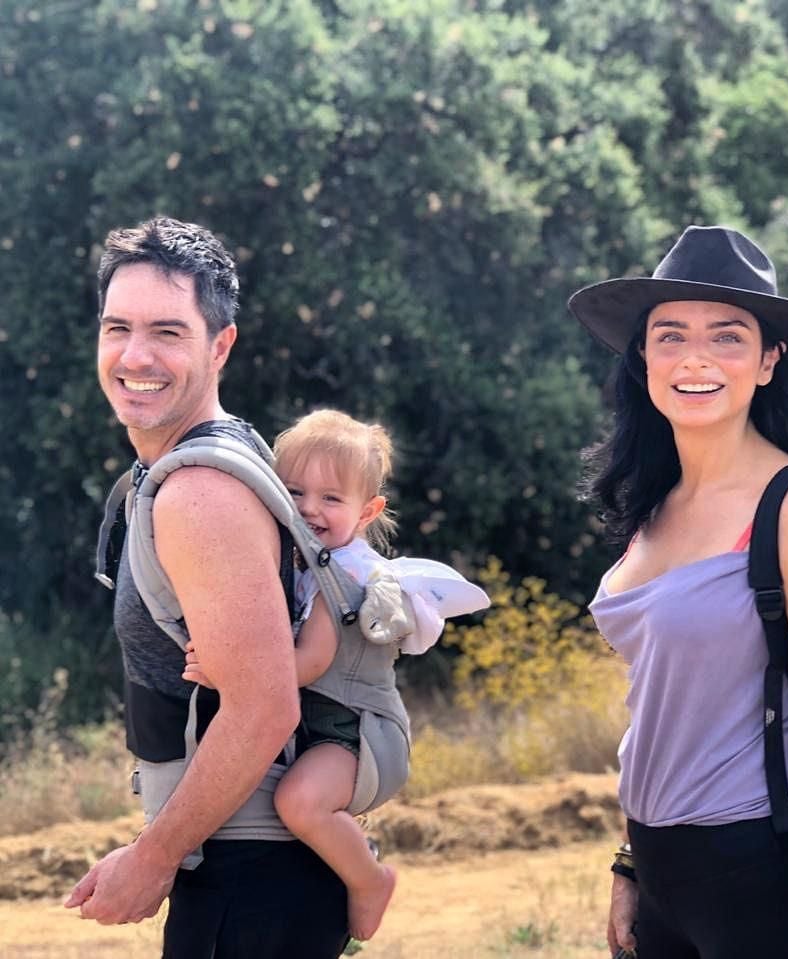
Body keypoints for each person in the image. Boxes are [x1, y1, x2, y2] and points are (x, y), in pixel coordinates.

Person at [568, 225, 788, 959]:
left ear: (769, 360)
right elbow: (659, 704)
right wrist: (628, 861)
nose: (694, 358)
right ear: (641, 354)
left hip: (761, 877)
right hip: (660, 873)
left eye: (727, 337)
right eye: (668, 335)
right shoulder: (652, 501)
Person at [65, 216, 351, 957]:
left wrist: (155, 853)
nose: (134, 355)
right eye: (116, 327)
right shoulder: (228, 451)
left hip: (250, 872)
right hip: (258, 870)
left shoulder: (198, 490)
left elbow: (262, 706)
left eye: (167, 331)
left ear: (219, 345)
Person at [181, 408, 490, 941]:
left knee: (297, 802)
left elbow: (309, 662)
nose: (309, 509)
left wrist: (225, 674)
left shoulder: (346, 575)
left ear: (368, 510)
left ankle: (369, 877)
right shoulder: (296, 562)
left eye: (331, 498)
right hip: (320, 730)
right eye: (295, 491)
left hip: (357, 732)